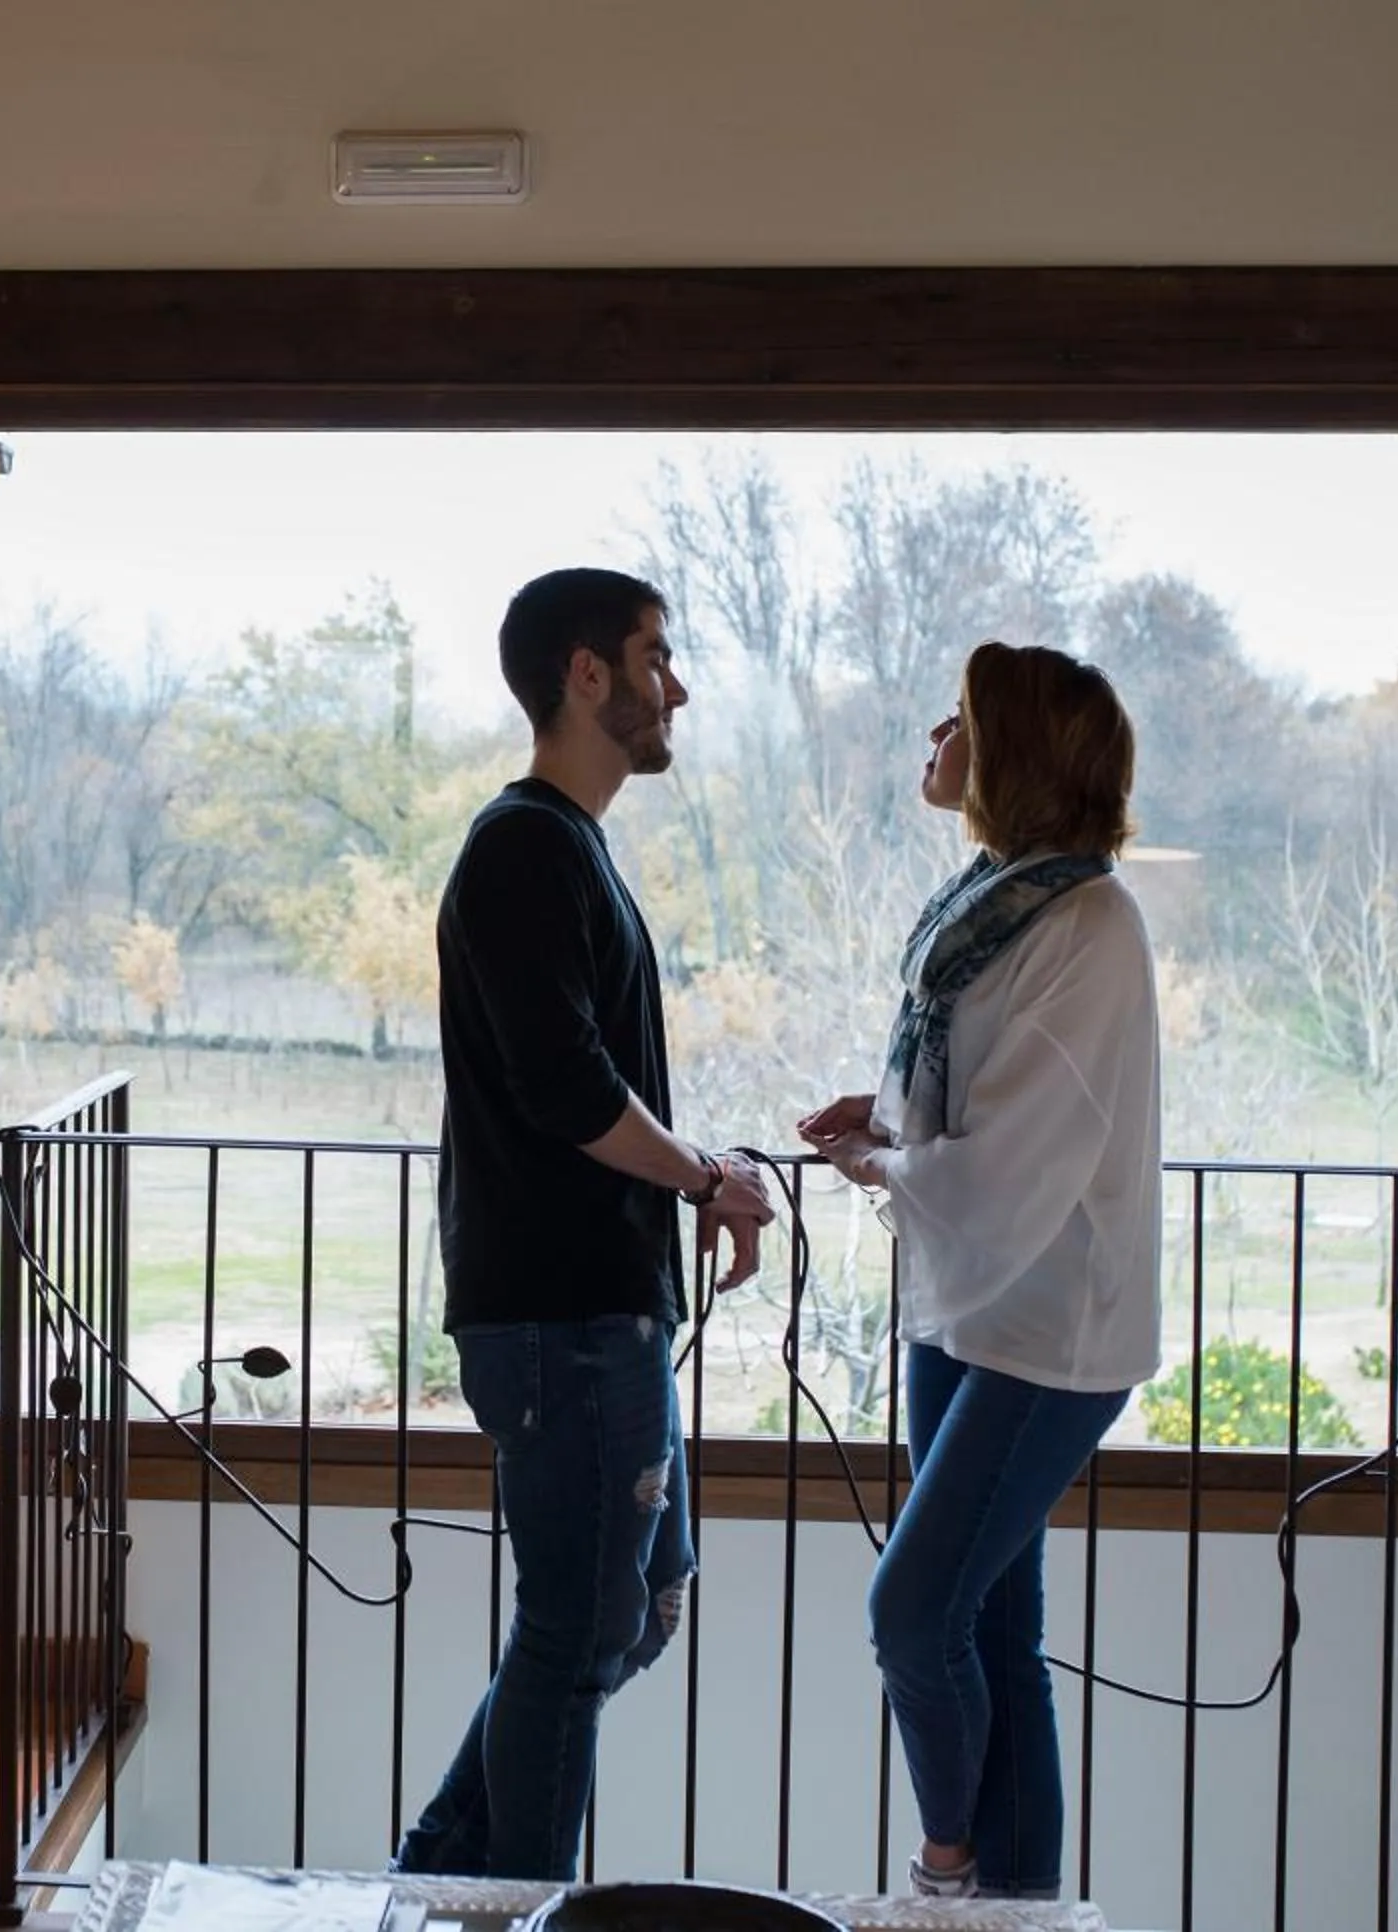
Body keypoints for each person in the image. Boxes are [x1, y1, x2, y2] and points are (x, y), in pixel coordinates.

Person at [393, 567, 779, 1882]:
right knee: (576, 1632)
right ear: (587, 674)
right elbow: (567, 1089)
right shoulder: (523, 847)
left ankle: (437, 1879)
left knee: (631, 1610)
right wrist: (700, 1180)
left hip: (598, 1312)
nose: (677, 686)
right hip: (558, 1319)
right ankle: (506, 1906)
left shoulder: (566, 848)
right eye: (656, 656)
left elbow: (587, 1086)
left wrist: (700, 1171)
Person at [797, 640, 1162, 1902]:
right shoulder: (995, 900)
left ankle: (947, 1873)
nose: (933, 741)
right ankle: (1018, 1914)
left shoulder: (1091, 920)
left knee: (914, 1615)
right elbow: (971, 1094)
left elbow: (1026, 1147)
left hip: (1050, 1326)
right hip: (962, 1307)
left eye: (955, 721)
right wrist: (890, 1125)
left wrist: (892, 1166)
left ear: (1016, 753)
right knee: (998, 1636)